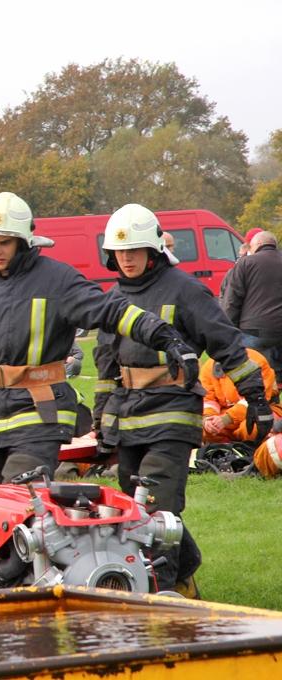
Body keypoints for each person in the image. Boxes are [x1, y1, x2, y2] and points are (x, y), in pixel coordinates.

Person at [0, 192, 201, 490]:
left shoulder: (56, 280)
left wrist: (165, 337)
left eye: (5, 242)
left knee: (19, 502)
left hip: (39, 415)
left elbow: (110, 310)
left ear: (23, 242)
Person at [94, 203, 272, 596]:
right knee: (132, 506)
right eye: (120, 252)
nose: (126, 258)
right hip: (129, 413)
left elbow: (227, 343)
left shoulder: (185, 290)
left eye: (135, 250)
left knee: (156, 502)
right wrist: (101, 420)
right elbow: (106, 366)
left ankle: (167, 595)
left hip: (173, 410)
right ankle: (187, 564)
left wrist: (256, 399)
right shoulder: (113, 298)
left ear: (153, 250)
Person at [223, 230, 282, 382]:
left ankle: (261, 401)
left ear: (258, 245)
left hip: (253, 329)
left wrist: (228, 330)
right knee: (277, 377)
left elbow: (232, 301)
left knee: (253, 376)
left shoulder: (246, 263)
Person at [201, 348, 281, 443]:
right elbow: (208, 400)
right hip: (226, 415)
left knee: (255, 427)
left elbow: (256, 399)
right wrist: (208, 419)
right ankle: (224, 452)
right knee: (205, 430)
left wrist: (227, 419)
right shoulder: (209, 366)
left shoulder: (255, 360)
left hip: (261, 409)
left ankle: (251, 452)